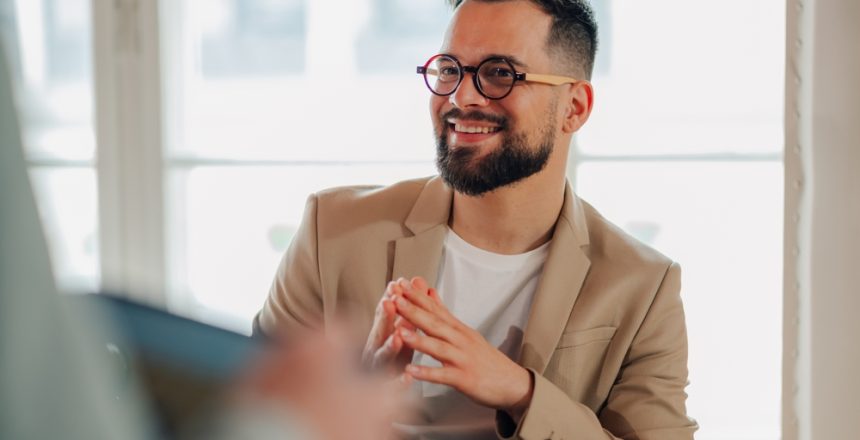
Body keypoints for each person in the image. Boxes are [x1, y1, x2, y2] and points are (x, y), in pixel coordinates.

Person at [255, 0, 698, 438]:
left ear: (574, 108)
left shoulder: (645, 288)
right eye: (449, 69)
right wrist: (353, 397)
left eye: (500, 73)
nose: (461, 97)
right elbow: (238, 414)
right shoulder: (330, 230)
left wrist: (521, 393)